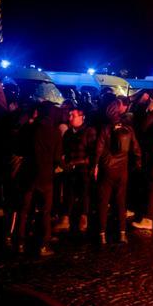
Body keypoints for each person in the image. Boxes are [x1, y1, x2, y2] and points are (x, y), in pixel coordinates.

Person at [14, 103, 64, 255]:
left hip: (28, 173)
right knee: (45, 211)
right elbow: (57, 157)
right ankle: (43, 244)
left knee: (23, 209)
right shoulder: (55, 132)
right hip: (45, 176)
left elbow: (18, 149)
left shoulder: (29, 129)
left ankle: (19, 242)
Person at [94, 101, 141, 244]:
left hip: (107, 169)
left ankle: (102, 234)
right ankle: (122, 234)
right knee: (121, 202)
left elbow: (99, 149)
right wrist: (136, 164)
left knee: (103, 202)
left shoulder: (105, 128)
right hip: (122, 170)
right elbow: (136, 149)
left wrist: (95, 165)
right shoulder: (128, 128)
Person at [58, 107, 97, 235]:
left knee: (84, 193)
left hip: (83, 169)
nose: (70, 118)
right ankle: (65, 219)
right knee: (69, 192)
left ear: (82, 117)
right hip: (70, 169)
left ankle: (83, 217)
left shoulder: (89, 132)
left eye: (73, 116)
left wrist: (79, 162)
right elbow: (64, 150)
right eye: (70, 115)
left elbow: (92, 153)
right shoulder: (69, 133)